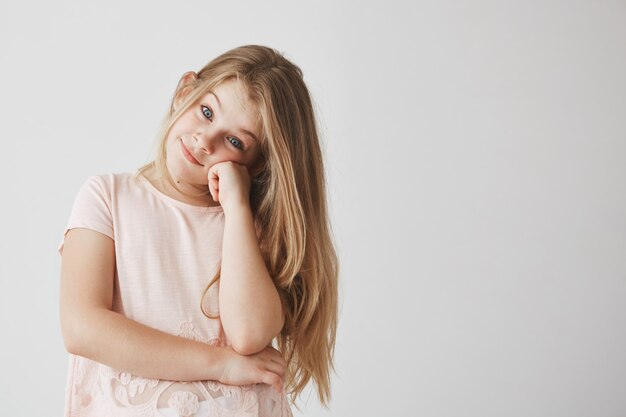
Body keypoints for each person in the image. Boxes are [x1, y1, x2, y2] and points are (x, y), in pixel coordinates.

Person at [58, 45, 339, 417]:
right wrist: (221, 364)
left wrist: (237, 209)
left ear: (257, 166)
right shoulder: (108, 197)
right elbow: (82, 328)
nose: (206, 141)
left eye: (235, 142)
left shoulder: (250, 228)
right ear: (184, 92)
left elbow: (250, 333)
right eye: (206, 112)